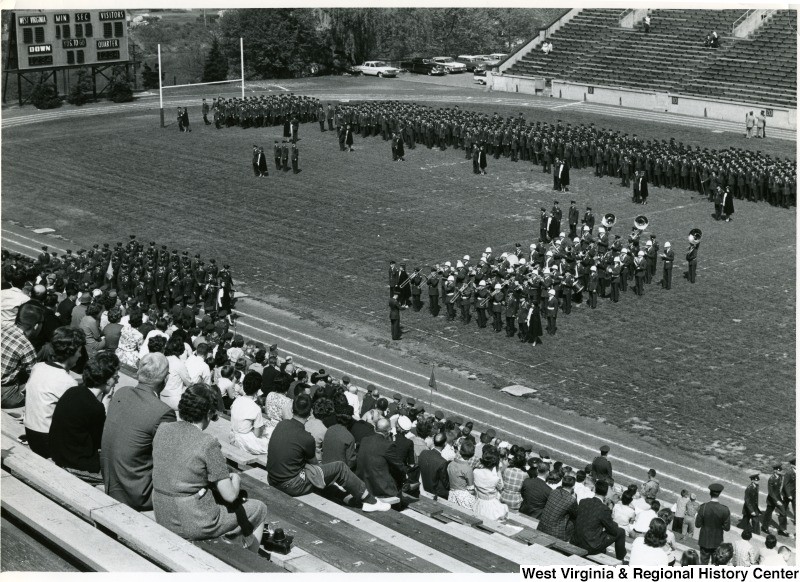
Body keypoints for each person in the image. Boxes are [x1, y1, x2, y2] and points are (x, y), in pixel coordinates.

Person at [152, 384, 268, 550]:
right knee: (258, 509)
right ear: (208, 413)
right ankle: (251, 562)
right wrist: (236, 479)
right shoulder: (208, 443)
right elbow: (229, 495)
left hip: (162, 512)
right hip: (193, 520)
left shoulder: (163, 429)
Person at [266, 394, 390, 512]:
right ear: (310, 412)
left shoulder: (281, 425)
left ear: (293, 409)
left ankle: (350, 495)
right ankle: (370, 501)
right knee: (340, 467)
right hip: (291, 485)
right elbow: (316, 468)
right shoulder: (306, 438)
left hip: (273, 478)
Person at [101, 352, 177, 511]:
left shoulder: (122, 392)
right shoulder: (163, 412)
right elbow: (169, 460)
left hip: (111, 480)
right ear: (166, 379)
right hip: (136, 492)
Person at [49, 352, 120, 484]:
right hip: (75, 465)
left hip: (60, 454)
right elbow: (101, 442)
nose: (117, 381)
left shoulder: (73, 391)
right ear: (107, 380)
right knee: (118, 476)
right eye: (115, 377)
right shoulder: (95, 407)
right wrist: (106, 404)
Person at [24, 326, 85, 458]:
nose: (80, 355)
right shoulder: (68, 382)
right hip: (47, 440)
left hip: (31, 432)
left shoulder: (38, 367)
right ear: (70, 352)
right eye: (79, 351)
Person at [1, 302, 43, 409]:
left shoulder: (3, 328)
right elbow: (35, 377)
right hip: (4, 393)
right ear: (36, 326)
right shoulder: (26, 346)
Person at [572, 480, 627, 560]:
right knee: (621, 531)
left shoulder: (583, 501)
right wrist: (612, 518)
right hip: (590, 546)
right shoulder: (604, 509)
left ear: (594, 489)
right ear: (606, 493)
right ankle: (621, 558)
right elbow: (613, 530)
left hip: (575, 541)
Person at [356, 418, 406, 499]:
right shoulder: (388, 445)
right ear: (388, 431)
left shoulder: (364, 440)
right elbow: (399, 467)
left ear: (375, 428)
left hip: (363, 483)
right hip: (380, 490)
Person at [229, 372, 269, 455]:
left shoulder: (236, 401)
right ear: (258, 389)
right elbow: (257, 434)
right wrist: (262, 427)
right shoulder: (256, 408)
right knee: (269, 441)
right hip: (245, 441)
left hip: (233, 435)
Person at [695, 483, 731, 564]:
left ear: (710, 493)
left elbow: (697, 525)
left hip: (704, 540)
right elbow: (727, 528)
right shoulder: (725, 509)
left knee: (703, 564)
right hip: (717, 541)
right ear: (720, 494)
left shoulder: (703, 507)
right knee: (716, 564)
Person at [472, 445, 509, 521]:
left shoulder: (476, 472)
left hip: (479, 501)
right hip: (491, 504)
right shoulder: (495, 478)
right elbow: (501, 487)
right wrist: (498, 471)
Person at [538, 473, 578, 541]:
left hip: (541, 527)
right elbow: (576, 514)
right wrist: (575, 499)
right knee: (574, 521)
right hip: (556, 533)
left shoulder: (554, 491)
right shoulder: (571, 499)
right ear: (573, 487)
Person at [419, 432, 450, 500]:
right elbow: (446, 484)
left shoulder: (423, 452)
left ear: (433, 442)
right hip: (433, 494)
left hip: (421, 488)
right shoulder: (443, 462)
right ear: (444, 444)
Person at [447, 440, 477, 509]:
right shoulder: (468, 469)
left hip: (451, 494)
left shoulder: (451, 463)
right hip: (462, 497)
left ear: (460, 451)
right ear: (472, 455)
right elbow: (471, 489)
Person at [763, 463, 790, 536]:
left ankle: (782, 529)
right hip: (772, 499)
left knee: (783, 513)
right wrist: (777, 501)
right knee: (768, 514)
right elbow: (771, 492)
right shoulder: (771, 479)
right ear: (775, 471)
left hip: (778, 498)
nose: (780, 471)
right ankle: (764, 527)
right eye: (779, 470)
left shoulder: (781, 477)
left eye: (781, 470)